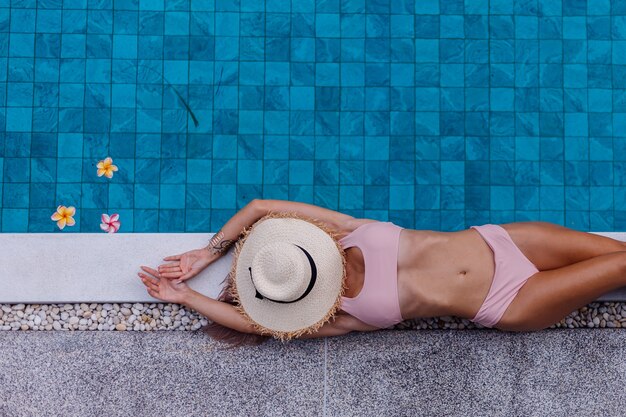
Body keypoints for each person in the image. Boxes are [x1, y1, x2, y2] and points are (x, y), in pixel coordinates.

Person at [138, 198, 626, 348]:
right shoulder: (341, 315)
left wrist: (208, 253)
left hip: (508, 240)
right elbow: (255, 325)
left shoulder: (343, 231)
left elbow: (259, 206)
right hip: (508, 302)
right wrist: (187, 299)